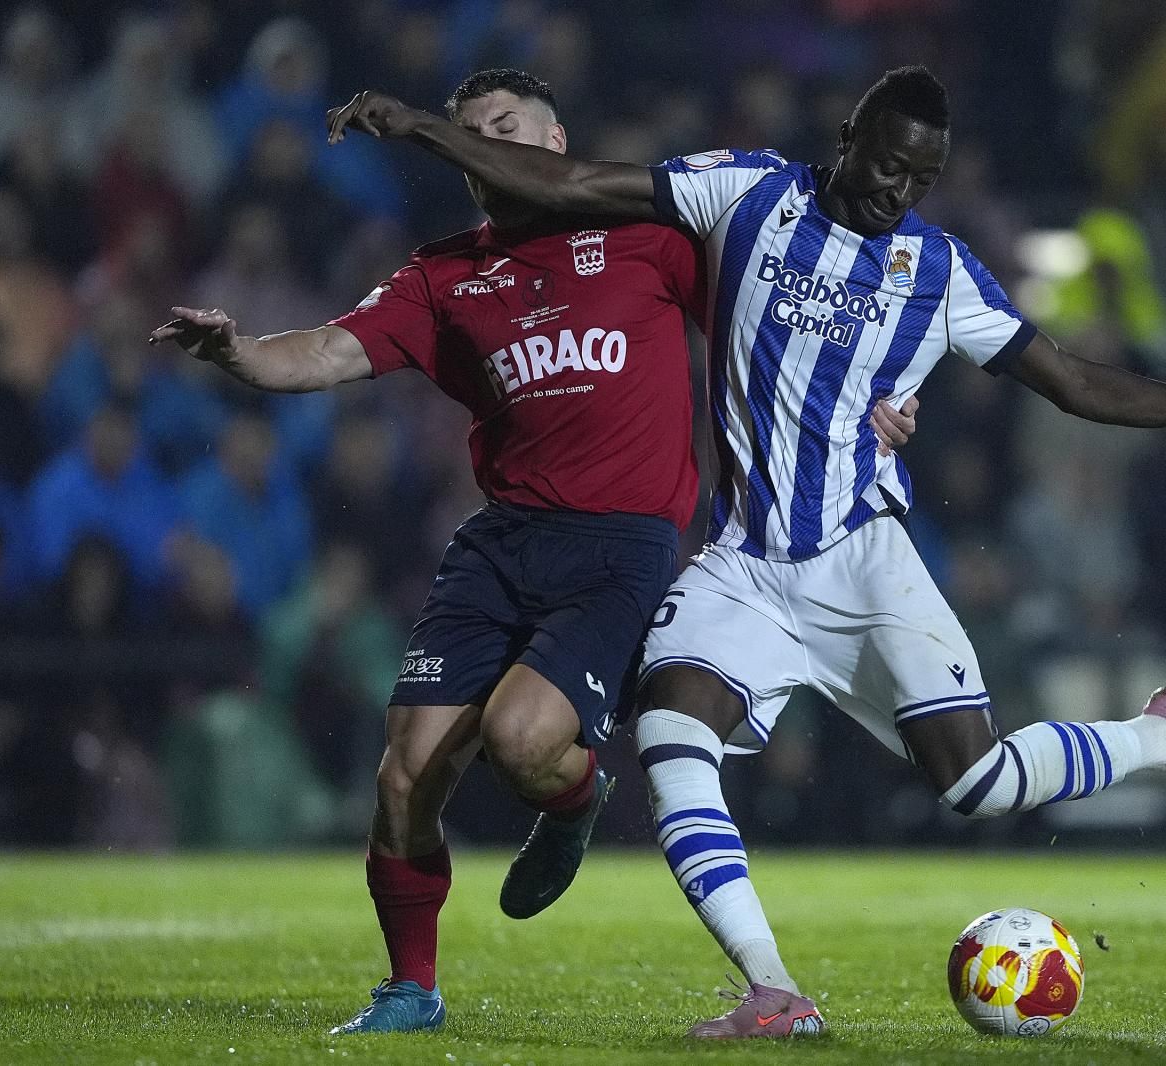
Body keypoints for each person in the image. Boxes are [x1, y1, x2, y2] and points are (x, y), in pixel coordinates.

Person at [327, 63, 1166, 1040]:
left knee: (973, 784)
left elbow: (1071, 381)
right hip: (745, 564)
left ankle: (1164, 738)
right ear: (847, 140)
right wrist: (422, 128)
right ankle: (773, 990)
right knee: (670, 736)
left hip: (862, 560)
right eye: (886, 162)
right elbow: (569, 184)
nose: (897, 188)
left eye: (919, 178)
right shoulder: (750, 191)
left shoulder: (935, 271)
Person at [158, 68, 917, 1037]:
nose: (484, 148)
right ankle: (410, 991)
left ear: (554, 145)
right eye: (471, 135)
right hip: (501, 541)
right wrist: (236, 351)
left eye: (503, 127)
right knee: (404, 775)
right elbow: (332, 351)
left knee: (522, 744)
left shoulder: (650, 236)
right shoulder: (443, 274)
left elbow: (780, 317)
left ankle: (574, 799)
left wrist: (874, 397)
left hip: (620, 545)